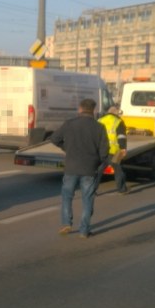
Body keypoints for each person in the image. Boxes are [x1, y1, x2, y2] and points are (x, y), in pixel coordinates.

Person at [50, 98, 109, 238]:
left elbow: (54, 139)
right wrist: (98, 163)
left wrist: (67, 148)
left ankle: (66, 223)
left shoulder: (69, 124)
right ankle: (84, 230)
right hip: (89, 168)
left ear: (80, 109)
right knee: (87, 199)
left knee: (67, 196)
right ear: (93, 110)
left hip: (71, 167)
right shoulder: (99, 127)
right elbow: (104, 152)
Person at [98, 105, 129, 194]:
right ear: (116, 113)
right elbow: (121, 137)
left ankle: (92, 189)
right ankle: (122, 189)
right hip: (115, 151)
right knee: (118, 170)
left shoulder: (100, 120)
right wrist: (123, 148)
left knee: (99, 170)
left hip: (101, 150)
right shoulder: (118, 121)